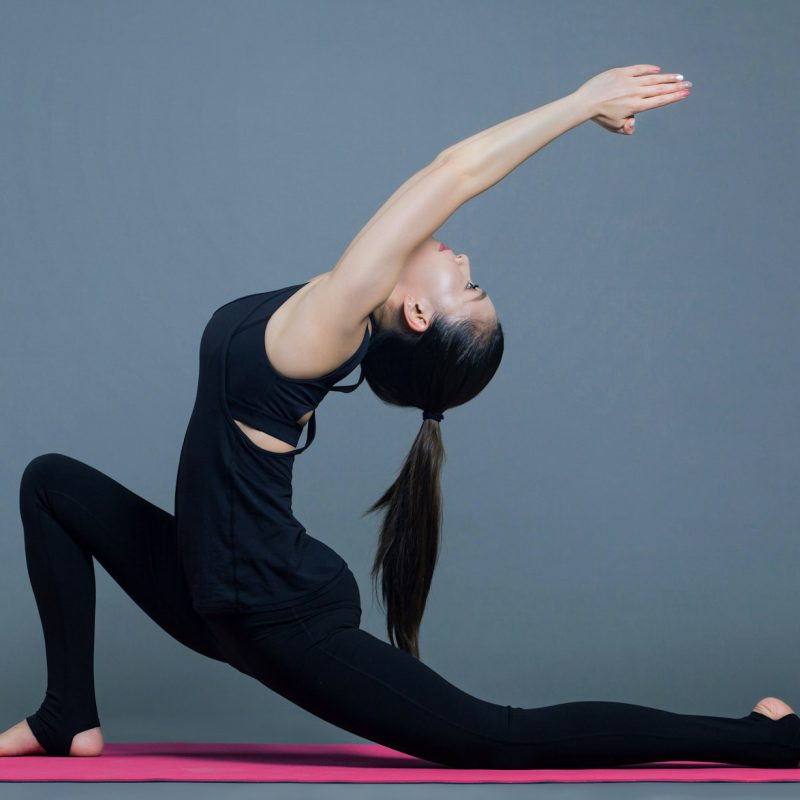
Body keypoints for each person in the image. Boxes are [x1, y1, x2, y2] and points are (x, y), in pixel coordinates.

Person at [4, 64, 800, 769]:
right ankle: (68, 712)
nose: (460, 258)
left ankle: (762, 739)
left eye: (469, 284)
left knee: (500, 739)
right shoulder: (334, 302)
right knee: (51, 485)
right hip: (203, 589)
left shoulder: (331, 325)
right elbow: (432, 199)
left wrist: (579, 102)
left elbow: (451, 173)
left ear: (416, 313)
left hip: (278, 617)